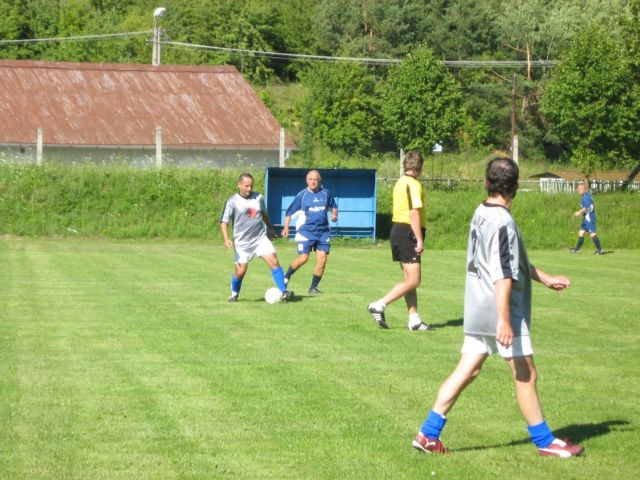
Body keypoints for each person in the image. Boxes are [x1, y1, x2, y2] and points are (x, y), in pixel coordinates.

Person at [412, 157, 584, 458]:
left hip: (477, 306)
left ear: (486, 183)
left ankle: (428, 433)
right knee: (526, 374)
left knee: (468, 369)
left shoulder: (481, 212)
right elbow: (503, 273)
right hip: (500, 310)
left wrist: (544, 277)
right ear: (516, 185)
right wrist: (504, 320)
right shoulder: (503, 222)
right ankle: (545, 442)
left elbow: (506, 259)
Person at [367, 151, 431, 331]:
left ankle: (414, 319)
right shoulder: (413, 184)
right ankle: (379, 305)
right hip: (408, 232)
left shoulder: (400, 182)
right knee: (414, 280)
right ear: (420, 167)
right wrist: (419, 239)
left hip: (398, 230)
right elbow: (413, 212)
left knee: (409, 279)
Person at [220, 173, 293, 302]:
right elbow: (224, 222)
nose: (249, 189)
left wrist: (270, 228)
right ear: (239, 185)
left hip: (259, 238)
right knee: (240, 271)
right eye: (246, 186)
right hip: (242, 242)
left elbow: (264, 214)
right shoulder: (232, 201)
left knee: (273, 260)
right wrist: (226, 239)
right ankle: (234, 294)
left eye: (251, 186)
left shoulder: (258, 197)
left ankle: (283, 291)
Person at [281, 169, 338, 295]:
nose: (313, 182)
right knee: (303, 258)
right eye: (310, 179)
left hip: (323, 232)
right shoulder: (302, 195)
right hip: (306, 232)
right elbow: (289, 213)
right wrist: (286, 228)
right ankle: (286, 276)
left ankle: (313, 287)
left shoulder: (326, 193)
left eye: (315, 179)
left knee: (322, 259)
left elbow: (334, 206)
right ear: (307, 180)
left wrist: (334, 215)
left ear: (319, 180)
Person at [570, 181, 603, 255]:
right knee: (581, 232)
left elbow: (586, 207)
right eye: (578, 189)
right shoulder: (585, 196)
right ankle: (577, 249)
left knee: (592, 233)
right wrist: (582, 213)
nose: (579, 190)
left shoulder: (586, 197)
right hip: (586, 218)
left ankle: (600, 250)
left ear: (585, 189)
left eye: (581, 189)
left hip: (589, 218)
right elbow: (587, 208)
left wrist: (578, 213)